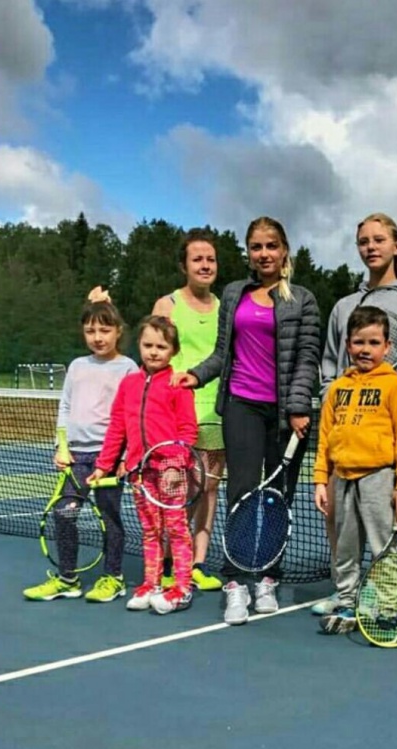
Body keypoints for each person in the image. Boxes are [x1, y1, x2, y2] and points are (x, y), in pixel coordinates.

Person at [175, 217, 321, 625]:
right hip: (241, 405)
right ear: (249, 253)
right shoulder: (234, 293)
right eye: (256, 247)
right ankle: (236, 580)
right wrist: (196, 375)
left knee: (277, 497)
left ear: (284, 250)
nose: (264, 254)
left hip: (286, 415)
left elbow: (306, 358)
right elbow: (222, 353)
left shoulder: (303, 300)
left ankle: (269, 577)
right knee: (240, 494)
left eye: (271, 246)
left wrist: (297, 408)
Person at [313, 212, 397, 617]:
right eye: (363, 241)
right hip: (343, 446)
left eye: (379, 239)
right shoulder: (343, 306)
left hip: (379, 456)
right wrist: (333, 395)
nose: (371, 247)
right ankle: (347, 597)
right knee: (343, 535)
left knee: (380, 536)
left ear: (396, 246)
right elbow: (329, 360)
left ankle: (386, 600)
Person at [23, 288, 138, 602]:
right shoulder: (76, 366)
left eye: (104, 330)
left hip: (108, 458)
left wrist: (125, 457)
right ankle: (68, 579)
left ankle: (113, 577)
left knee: (110, 518)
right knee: (64, 514)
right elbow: (65, 406)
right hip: (75, 457)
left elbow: (132, 415)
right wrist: (61, 446)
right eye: (90, 331)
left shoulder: (129, 368)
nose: (97, 337)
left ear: (118, 331)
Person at [88, 316, 199, 614]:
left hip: (170, 470)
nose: (153, 352)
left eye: (161, 347)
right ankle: (151, 584)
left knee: (176, 529)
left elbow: (188, 430)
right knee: (150, 530)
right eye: (148, 345)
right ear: (138, 344)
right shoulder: (129, 384)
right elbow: (117, 428)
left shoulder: (178, 386)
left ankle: (182, 587)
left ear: (173, 350)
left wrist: (176, 465)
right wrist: (103, 465)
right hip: (139, 472)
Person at [153, 228, 224, 592]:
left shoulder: (226, 308)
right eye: (197, 259)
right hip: (178, 414)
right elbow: (154, 356)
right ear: (184, 266)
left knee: (209, 489)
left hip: (216, 414)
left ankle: (198, 563)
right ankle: (169, 562)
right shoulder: (167, 305)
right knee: (178, 490)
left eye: (210, 259)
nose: (205, 265)